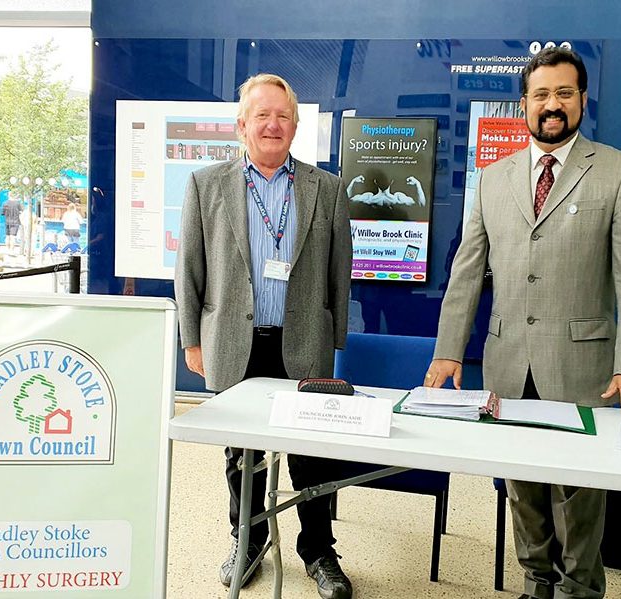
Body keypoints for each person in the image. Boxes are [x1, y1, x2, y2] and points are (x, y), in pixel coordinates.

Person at [424, 47, 621, 599]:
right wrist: (447, 351)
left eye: (563, 93)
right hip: (508, 366)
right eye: (540, 95)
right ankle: (536, 582)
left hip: (584, 367)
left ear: (581, 100)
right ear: (523, 104)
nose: (551, 105)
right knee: (522, 487)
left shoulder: (619, 171)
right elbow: (466, 274)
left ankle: (580, 588)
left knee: (579, 494)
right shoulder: (492, 179)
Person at [175, 73, 354, 599]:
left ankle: (318, 550)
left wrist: (334, 339)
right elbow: (189, 269)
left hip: (303, 342)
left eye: (283, 116)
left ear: (296, 125)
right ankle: (248, 540)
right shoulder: (205, 186)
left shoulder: (328, 188)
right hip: (235, 340)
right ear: (242, 126)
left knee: (314, 453)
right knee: (240, 454)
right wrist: (193, 339)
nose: (273, 124)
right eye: (262, 115)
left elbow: (337, 271)